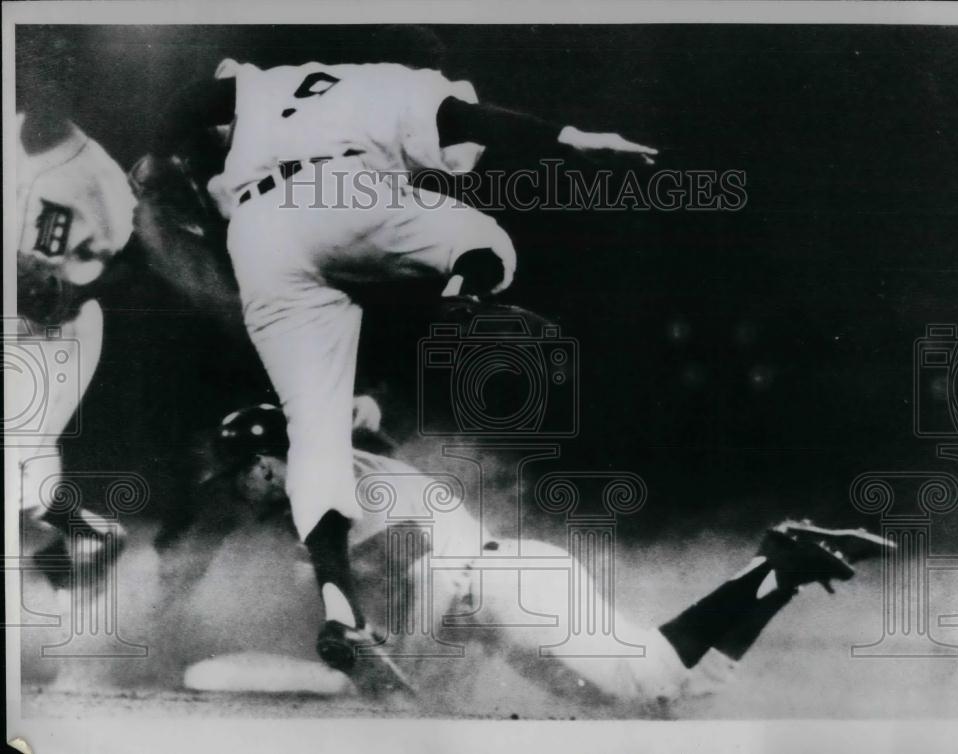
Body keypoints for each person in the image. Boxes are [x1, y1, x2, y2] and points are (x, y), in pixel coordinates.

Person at [149, 49, 658, 678]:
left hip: (260, 231)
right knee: (484, 239)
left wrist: (159, 154)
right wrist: (571, 139)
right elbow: (478, 120)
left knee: (313, 434)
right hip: (350, 193)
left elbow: (196, 101)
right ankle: (464, 293)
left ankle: (340, 612)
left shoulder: (263, 85)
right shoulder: (403, 85)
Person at [165, 401, 893, 709]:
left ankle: (780, 559)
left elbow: (377, 558)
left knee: (654, 686)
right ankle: (783, 571)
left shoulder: (313, 483)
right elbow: (389, 540)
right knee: (668, 699)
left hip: (504, 589)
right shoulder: (347, 466)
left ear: (266, 461)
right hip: (506, 585)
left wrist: (375, 639)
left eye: (240, 474)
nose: (237, 492)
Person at [12, 37, 136, 588]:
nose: (43, 84)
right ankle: (83, 535)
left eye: (58, 75)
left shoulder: (97, 173)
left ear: (74, 88)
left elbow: (135, 262)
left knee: (16, 458)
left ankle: (76, 543)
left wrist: (70, 292)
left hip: (58, 331)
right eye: (35, 70)